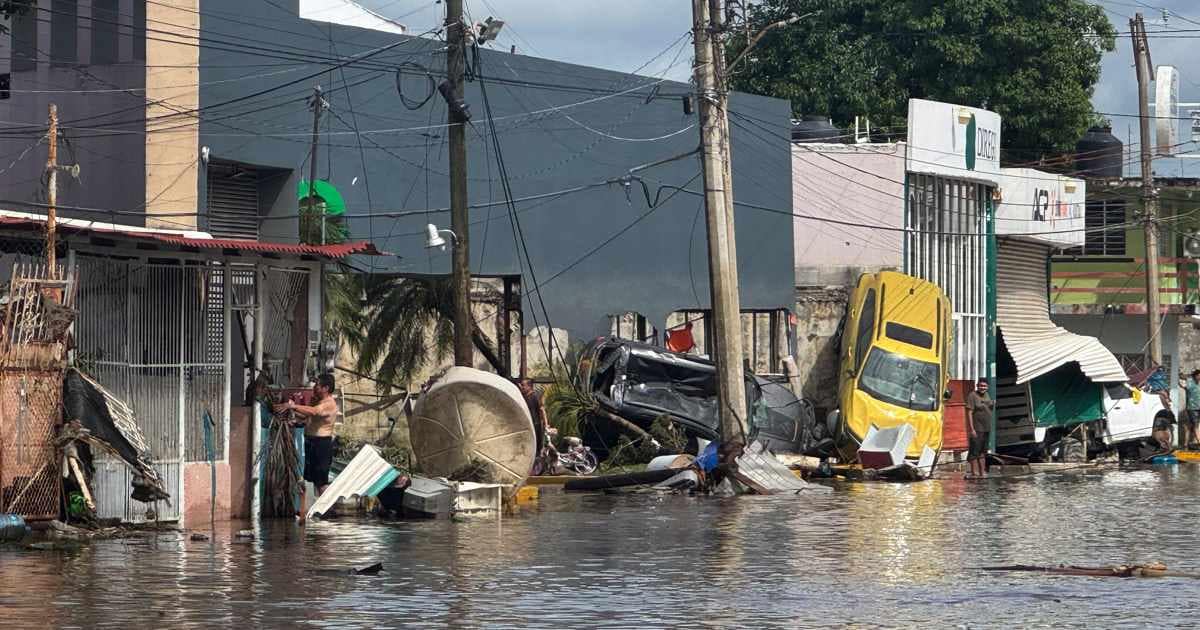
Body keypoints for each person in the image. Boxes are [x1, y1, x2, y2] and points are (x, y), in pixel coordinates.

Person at [274, 373, 339, 523]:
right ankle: (316, 510)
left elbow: (314, 412)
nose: (315, 387)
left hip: (322, 444)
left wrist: (293, 406)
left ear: (326, 388)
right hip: (311, 442)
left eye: (318, 385)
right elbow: (306, 417)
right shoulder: (318, 401)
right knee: (312, 479)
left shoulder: (329, 404)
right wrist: (292, 416)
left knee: (321, 481)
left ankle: (329, 510)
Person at [517, 378, 552, 474]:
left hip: (535, 426)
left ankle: (538, 469)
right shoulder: (524, 397)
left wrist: (546, 424)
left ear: (529, 386)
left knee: (536, 447)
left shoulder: (535, 396)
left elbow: (542, 410)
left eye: (523, 385)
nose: (521, 387)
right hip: (527, 426)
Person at [965, 378, 994, 478]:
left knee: (983, 451)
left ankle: (982, 473)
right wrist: (971, 429)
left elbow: (989, 408)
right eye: (981, 386)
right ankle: (974, 473)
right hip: (977, 429)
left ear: (987, 387)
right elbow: (969, 412)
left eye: (985, 386)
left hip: (987, 429)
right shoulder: (972, 396)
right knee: (974, 451)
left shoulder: (987, 395)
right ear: (977, 386)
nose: (983, 388)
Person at [1185, 370, 1200, 449]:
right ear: (1195, 376)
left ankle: (1185, 444)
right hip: (1192, 408)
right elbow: (1186, 388)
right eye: (1198, 375)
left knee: (1190, 426)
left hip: (1199, 407)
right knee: (1195, 425)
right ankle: (1199, 442)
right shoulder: (1190, 382)